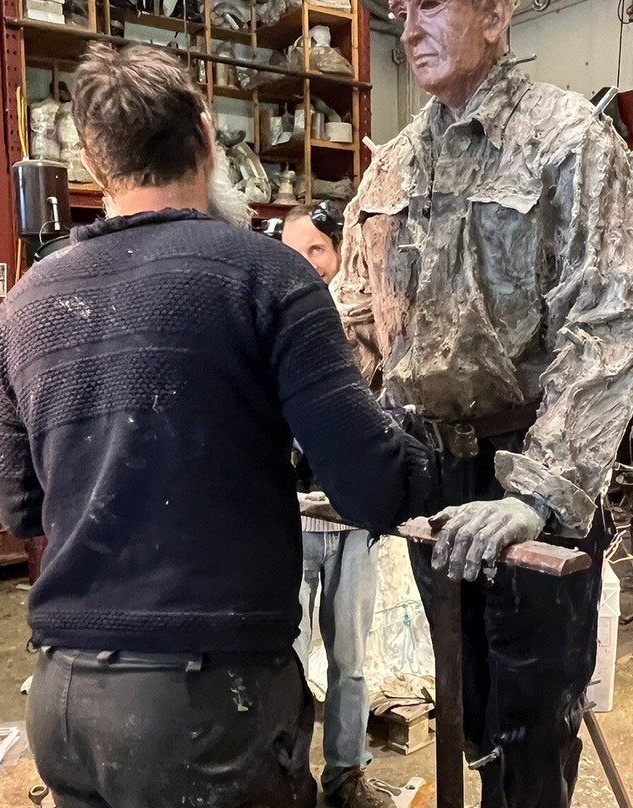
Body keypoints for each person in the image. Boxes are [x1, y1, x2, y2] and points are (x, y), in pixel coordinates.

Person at [0, 43, 436, 808]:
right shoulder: (266, 276)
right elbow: (370, 487)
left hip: (65, 699)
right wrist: (431, 455)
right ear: (205, 133)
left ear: (92, 163)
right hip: (204, 706)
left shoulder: (25, 303)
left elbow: (18, 507)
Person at [334, 0, 633, 805]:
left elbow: (609, 321)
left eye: (431, 4)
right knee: (466, 703)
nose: (410, 28)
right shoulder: (389, 169)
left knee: (534, 724)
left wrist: (538, 494)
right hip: (427, 473)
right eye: (399, 10)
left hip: (526, 467)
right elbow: (356, 320)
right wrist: (336, 440)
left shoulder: (568, 138)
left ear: (496, 13)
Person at [282, 203, 388, 808]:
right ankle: (288, 777)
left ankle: (346, 775)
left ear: (340, 253)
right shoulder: (277, 328)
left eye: (317, 249)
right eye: (293, 252)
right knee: (289, 662)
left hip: (351, 524)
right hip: (293, 522)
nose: (307, 263)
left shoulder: (370, 331)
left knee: (350, 661)